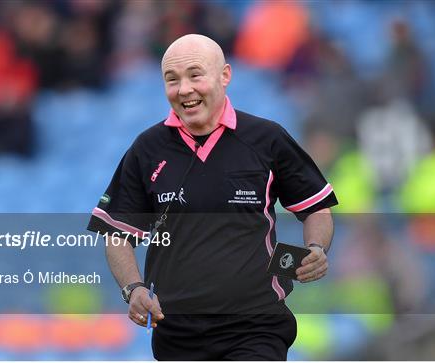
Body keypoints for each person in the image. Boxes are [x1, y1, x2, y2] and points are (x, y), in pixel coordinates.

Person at [88, 34, 337, 360]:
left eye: (195, 75)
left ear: (225, 76)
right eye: (172, 79)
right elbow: (117, 234)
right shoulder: (147, 149)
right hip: (176, 333)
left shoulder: (267, 139)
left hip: (257, 326)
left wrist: (316, 248)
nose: (184, 89)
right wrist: (133, 289)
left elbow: (316, 208)